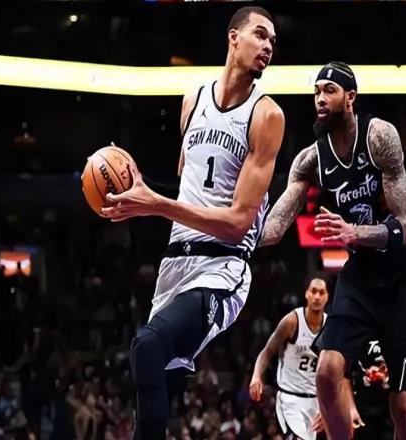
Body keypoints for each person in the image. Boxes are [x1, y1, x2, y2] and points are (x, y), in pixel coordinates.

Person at [102, 7, 284, 440]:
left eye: (273, 41)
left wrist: (155, 204)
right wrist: (139, 191)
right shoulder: (193, 100)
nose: (268, 46)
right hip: (175, 265)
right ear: (233, 37)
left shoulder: (267, 116)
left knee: (147, 346)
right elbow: (187, 188)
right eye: (260, 35)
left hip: (223, 267)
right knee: (153, 385)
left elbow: (237, 223)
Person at [260, 61, 406, 439]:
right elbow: (275, 227)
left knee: (402, 406)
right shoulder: (310, 159)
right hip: (361, 275)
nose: (320, 98)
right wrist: (231, 233)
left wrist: (353, 232)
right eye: (316, 91)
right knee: (326, 371)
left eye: (329, 91)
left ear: (351, 98)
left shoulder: (379, 137)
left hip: (402, 278)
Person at [249, 276, 329, 440]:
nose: (317, 297)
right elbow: (267, 352)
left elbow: (334, 371)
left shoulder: (331, 326)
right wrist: (256, 376)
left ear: (327, 296)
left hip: (316, 400)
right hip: (290, 398)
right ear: (306, 294)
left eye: (321, 292)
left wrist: (328, 405)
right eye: (313, 291)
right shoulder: (292, 321)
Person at [350, 335, 406, 439]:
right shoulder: (357, 327)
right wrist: (350, 405)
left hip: (397, 411)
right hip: (362, 410)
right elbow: (343, 372)